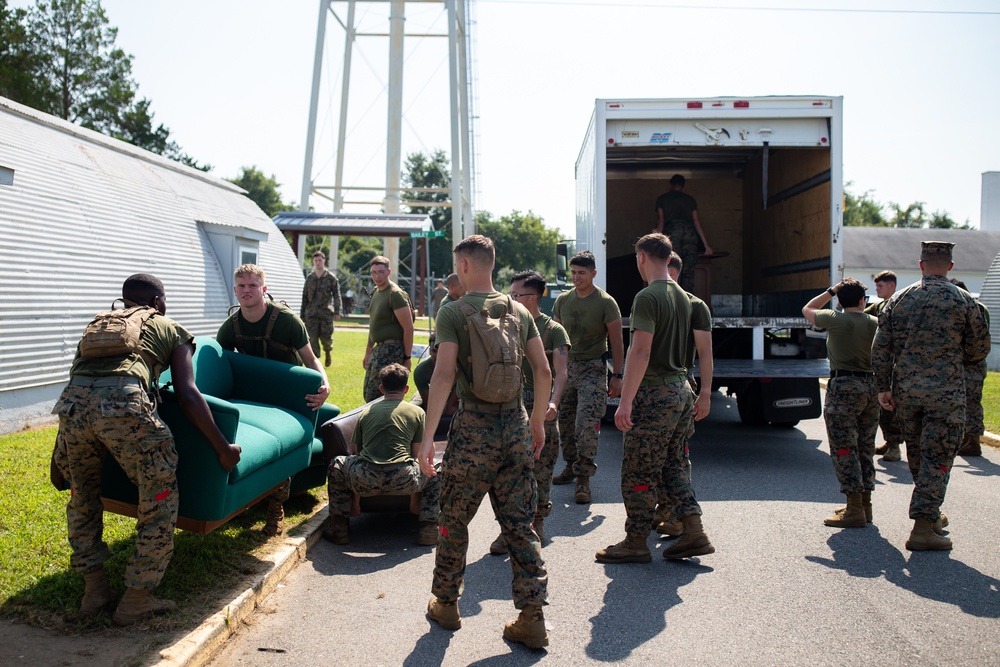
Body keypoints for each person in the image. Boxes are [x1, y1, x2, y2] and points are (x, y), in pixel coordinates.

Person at [50, 274, 242, 625]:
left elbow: (76, 386)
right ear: (157, 303)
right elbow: (187, 393)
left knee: (83, 498)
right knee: (159, 498)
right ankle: (136, 598)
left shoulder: (96, 326)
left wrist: (58, 457)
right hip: (125, 408)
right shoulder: (169, 326)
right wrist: (223, 448)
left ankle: (94, 591)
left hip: (74, 414)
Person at [417, 234, 552, 649]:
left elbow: (441, 377)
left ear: (463, 266)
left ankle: (447, 604)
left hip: (473, 430)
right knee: (520, 524)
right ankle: (532, 617)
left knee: (453, 521)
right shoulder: (519, 311)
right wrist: (537, 423)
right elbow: (543, 372)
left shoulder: (453, 312)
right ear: (492, 265)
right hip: (514, 428)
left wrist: (427, 438)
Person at [596, 233, 715, 563]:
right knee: (673, 464)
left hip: (655, 393)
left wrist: (625, 401)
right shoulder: (684, 297)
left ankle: (636, 541)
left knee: (638, 471)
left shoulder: (648, 296)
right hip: (681, 390)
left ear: (641, 258)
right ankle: (694, 531)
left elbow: (641, 351)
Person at [871, 241, 990, 551]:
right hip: (946, 392)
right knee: (938, 457)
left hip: (907, 391)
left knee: (919, 453)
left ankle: (931, 516)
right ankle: (923, 527)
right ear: (950, 266)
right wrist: (954, 361)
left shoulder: (898, 299)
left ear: (920, 264)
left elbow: (881, 348)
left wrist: (883, 387)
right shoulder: (965, 301)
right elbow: (979, 349)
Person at [216, 264, 331, 536]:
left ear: (264, 289)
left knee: (282, 449)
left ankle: (275, 510)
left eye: (253, 285)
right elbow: (221, 364)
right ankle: (241, 501)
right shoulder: (230, 327)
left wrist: (324, 383)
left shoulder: (288, 321)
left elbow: (310, 358)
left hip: (285, 392)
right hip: (250, 394)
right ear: (234, 290)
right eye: (241, 286)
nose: (247, 291)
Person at [489, 270, 570, 554]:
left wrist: (553, 402)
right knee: (505, 472)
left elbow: (560, 372)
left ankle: (536, 524)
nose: (510, 299)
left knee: (540, 471)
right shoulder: (505, 325)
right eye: (509, 294)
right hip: (509, 405)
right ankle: (507, 530)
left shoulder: (553, 330)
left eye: (516, 295)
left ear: (533, 297)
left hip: (540, 404)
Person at [323, 363, 440, 546]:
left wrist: (356, 500)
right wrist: (414, 497)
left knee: (336, 464)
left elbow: (355, 453)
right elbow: (418, 456)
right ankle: (429, 528)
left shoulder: (366, 413)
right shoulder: (417, 412)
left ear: (381, 388)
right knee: (436, 469)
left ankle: (339, 527)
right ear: (406, 389)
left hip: (365, 479)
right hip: (404, 479)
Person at [802, 278, 879, 528]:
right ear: (862, 300)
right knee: (865, 447)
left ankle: (854, 508)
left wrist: (831, 291)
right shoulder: (875, 323)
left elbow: (808, 309)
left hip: (844, 387)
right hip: (871, 387)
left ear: (839, 300)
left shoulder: (835, 320)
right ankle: (865, 505)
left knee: (844, 449)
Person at [551, 250, 624, 505]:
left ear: (593, 273)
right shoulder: (563, 300)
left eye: (581, 273)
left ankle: (584, 478)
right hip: (568, 369)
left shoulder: (606, 302)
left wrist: (617, 375)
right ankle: (571, 466)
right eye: (573, 272)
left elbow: (616, 341)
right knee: (566, 424)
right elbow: (556, 338)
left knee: (586, 424)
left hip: (594, 368)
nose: (576, 277)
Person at [653, 252, 713, 537]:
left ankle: (679, 516)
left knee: (676, 454)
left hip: (678, 383)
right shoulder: (652, 299)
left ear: (672, 273)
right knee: (662, 454)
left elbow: (705, 353)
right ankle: (666, 509)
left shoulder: (694, 305)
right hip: (661, 385)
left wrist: (706, 393)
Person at [363, 256, 415, 402]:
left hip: (392, 350)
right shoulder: (375, 292)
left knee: (379, 394)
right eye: (373, 272)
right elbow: (374, 324)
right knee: (368, 392)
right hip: (378, 350)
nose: (377, 276)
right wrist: (368, 352)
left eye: (380, 272)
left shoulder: (395, 294)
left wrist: (407, 358)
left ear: (388, 272)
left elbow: (409, 328)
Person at [865, 270, 903, 462]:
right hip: (882, 363)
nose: (877, 289)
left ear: (891, 286)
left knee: (892, 406)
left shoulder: (902, 304)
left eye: (880, 286)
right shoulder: (878, 306)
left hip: (897, 364)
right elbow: (861, 319)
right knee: (883, 406)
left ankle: (895, 446)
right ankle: (890, 441)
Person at [951, 279, 991, 457]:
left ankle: (973, 441)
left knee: (972, 403)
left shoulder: (975, 308)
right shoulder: (977, 306)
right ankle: (967, 439)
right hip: (969, 361)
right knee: (964, 403)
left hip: (972, 363)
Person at [654, 174, 713, 293]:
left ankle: (672, 302)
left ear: (670, 185)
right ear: (683, 186)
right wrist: (706, 245)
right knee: (688, 271)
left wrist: (655, 241)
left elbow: (661, 221)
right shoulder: (690, 200)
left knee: (672, 268)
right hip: (690, 235)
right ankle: (687, 302)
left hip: (672, 234)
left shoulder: (662, 199)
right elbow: (696, 221)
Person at [412, 332, 459, 438]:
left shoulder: (459, 367)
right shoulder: (421, 371)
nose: (437, 355)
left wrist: (449, 404)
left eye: (441, 350)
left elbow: (451, 406)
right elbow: (430, 405)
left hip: (457, 390)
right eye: (434, 351)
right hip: (433, 391)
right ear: (429, 351)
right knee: (416, 409)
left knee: (451, 409)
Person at [300, 250, 343, 367]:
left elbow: (336, 295)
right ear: (313, 262)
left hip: (325, 313)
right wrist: (302, 314)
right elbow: (304, 297)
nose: (318, 262)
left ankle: (328, 352)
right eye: (316, 260)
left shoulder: (330, 277)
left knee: (326, 338)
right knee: (312, 339)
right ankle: (316, 361)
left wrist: (338, 311)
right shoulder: (310, 278)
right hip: (311, 313)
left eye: (320, 260)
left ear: (324, 261)